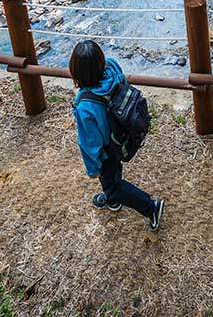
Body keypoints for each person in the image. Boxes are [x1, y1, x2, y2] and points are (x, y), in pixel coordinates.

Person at [70, 39, 164, 231]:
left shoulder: (85, 107)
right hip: (121, 133)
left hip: (107, 149)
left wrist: (92, 168)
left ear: (76, 72)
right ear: (101, 61)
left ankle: (151, 207)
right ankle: (112, 201)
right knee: (113, 174)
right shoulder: (112, 66)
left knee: (112, 183)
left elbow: (89, 144)